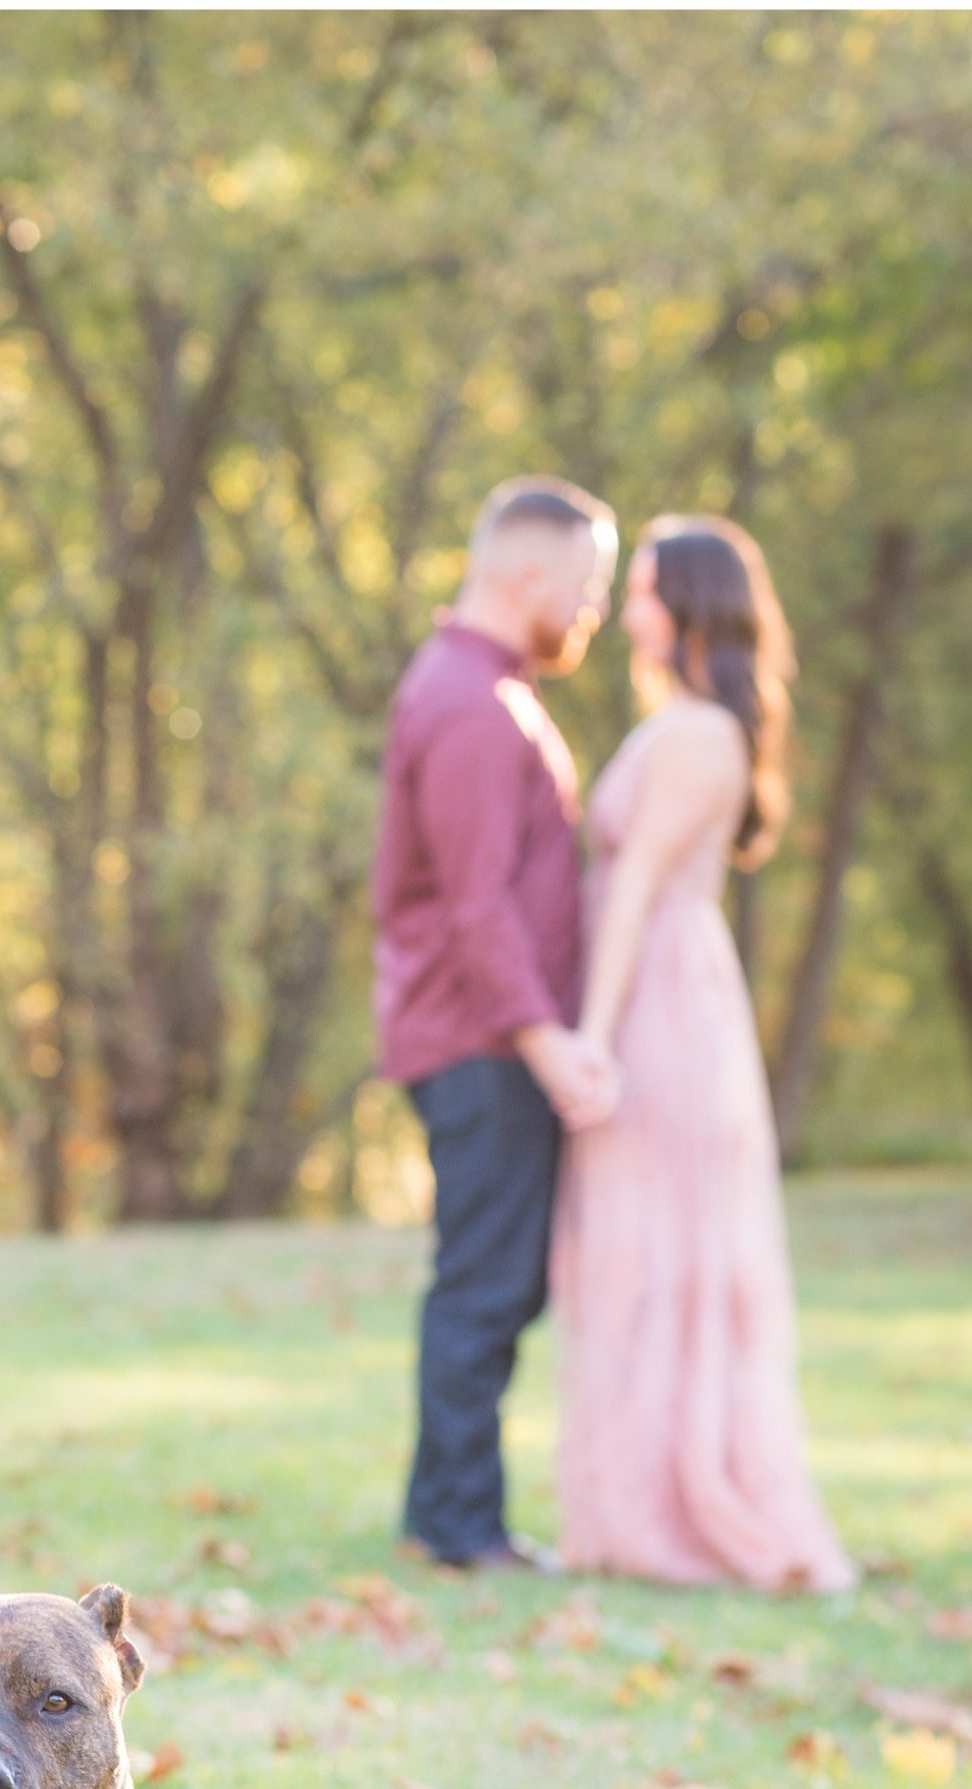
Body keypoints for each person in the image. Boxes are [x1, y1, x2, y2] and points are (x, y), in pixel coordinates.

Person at [552, 517, 855, 1591]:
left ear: (686, 604)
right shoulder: (682, 723)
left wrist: (589, 1033)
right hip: (651, 993)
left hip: (661, 1007)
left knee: (659, 1253)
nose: (626, 609)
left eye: (640, 590)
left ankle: (673, 1512)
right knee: (631, 1254)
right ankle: (622, 1506)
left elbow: (632, 890)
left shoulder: (698, 735)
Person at [371, 476, 619, 1571]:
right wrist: (542, 1037)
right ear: (527, 576)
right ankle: (457, 1527)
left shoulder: (483, 690)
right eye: (584, 585)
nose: (591, 610)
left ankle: (448, 1513)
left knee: (492, 1280)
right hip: (479, 1042)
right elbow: (471, 903)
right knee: (482, 1281)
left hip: (480, 1035)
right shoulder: (470, 705)